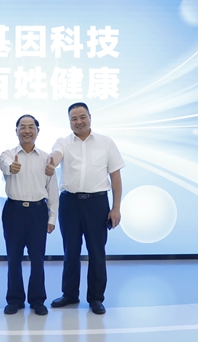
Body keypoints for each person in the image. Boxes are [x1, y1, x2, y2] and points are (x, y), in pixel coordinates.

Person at [45, 102, 124, 315]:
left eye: (82, 117)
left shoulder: (106, 142)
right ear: (69, 121)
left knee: (97, 252)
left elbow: (115, 177)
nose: (78, 122)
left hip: (97, 203)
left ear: (90, 117)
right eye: (74, 118)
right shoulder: (63, 142)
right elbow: (56, 154)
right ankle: (70, 294)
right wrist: (52, 162)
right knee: (70, 251)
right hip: (69, 203)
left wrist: (116, 207)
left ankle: (96, 298)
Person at [0, 114, 58, 316]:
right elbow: (6, 165)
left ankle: (37, 300)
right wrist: (12, 167)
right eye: (22, 127)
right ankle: (14, 299)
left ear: (37, 131)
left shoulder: (46, 158)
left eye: (31, 127)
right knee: (13, 258)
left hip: (38, 212)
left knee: (37, 258)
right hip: (13, 211)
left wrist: (52, 217)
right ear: (16, 131)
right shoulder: (7, 154)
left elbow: (52, 189)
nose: (27, 131)